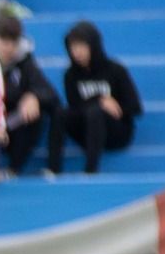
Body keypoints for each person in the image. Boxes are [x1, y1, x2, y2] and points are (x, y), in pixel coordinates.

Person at [55, 21, 141, 173]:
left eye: (82, 46)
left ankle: (90, 170)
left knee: (95, 112)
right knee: (60, 113)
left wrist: (115, 107)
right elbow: (74, 106)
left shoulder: (116, 70)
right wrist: (99, 100)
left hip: (117, 132)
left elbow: (136, 107)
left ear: (93, 45)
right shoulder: (70, 75)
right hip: (86, 132)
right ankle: (53, 169)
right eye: (73, 47)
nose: (77, 52)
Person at [0, 11, 59, 173]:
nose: (9, 48)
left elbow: (50, 94)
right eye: (4, 41)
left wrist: (33, 96)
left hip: (12, 128)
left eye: (13, 42)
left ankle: (20, 169)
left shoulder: (25, 62)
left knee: (39, 112)